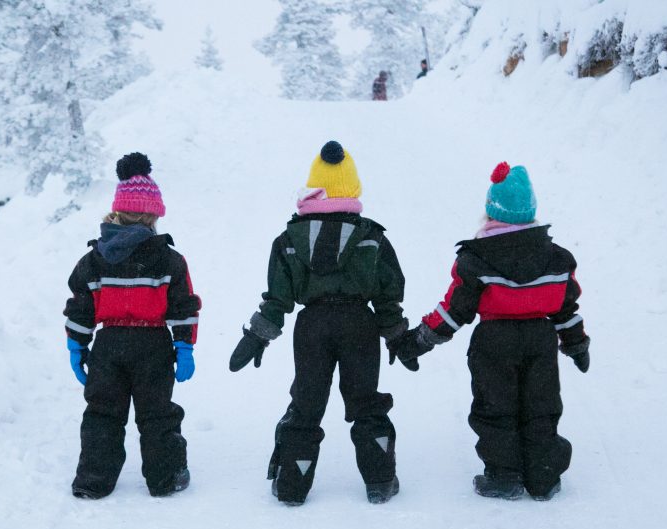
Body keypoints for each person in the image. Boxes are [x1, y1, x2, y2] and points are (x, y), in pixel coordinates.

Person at [389, 162, 590, 501]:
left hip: (494, 341)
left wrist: (419, 340)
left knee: (495, 407)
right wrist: (576, 344)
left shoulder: (477, 259)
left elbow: (455, 310)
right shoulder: (557, 259)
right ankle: (543, 477)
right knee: (541, 406)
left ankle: (504, 477)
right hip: (540, 339)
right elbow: (566, 308)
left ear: (491, 212)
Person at [229, 141, 410, 506]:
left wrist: (258, 335)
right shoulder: (372, 237)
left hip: (311, 326)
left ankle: (292, 487)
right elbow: (388, 294)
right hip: (360, 324)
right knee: (364, 400)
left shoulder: (290, 239)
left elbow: (278, 298)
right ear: (352, 189)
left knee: (307, 401)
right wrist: (396, 336)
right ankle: (380, 481)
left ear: (314, 187)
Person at [63, 152, 201, 499]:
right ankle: (165, 477)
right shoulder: (169, 258)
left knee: (102, 413)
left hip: (108, 347)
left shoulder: (94, 259)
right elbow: (183, 305)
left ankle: (93, 480)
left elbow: (81, 306)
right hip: (152, 345)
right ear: (153, 214)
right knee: (157, 414)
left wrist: (77, 345)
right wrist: (184, 345)